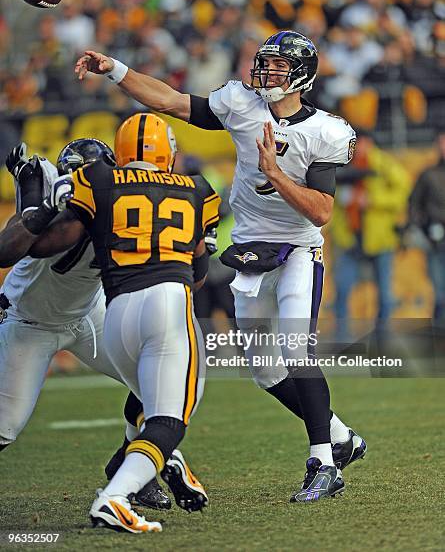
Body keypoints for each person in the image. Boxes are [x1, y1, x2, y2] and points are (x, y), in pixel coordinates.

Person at [73, 30, 366, 503]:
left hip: (296, 249)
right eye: (264, 63)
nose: (265, 73)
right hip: (250, 251)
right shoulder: (241, 103)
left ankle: (324, 463)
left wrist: (273, 173)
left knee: (295, 352)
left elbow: (321, 212)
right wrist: (117, 71)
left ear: (302, 75)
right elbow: (169, 101)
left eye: (277, 67)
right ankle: (341, 436)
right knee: (265, 372)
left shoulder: (325, 131)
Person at [1, 113, 220, 532]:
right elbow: (9, 249)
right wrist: (36, 208)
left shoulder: (103, 196)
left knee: (149, 383)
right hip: (32, 322)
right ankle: (150, 462)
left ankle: (133, 469)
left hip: (93, 313)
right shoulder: (65, 216)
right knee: (4, 427)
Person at [332, 132, 411, 324]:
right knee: (342, 291)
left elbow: (403, 193)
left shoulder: (384, 165)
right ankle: (342, 340)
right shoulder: (342, 164)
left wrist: (372, 200)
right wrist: (341, 199)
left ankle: (382, 338)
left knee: (384, 293)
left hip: (380, 238)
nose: (361, 147)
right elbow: (327, 196)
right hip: (348, 237)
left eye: (365, 142)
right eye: (357, 143)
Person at [409, 130, 445, 321]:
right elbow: (414, 204)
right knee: (439, 292)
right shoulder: (428, 175)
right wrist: (423, 228)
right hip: (436, 241)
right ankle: (439, 337)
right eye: (441, 142)